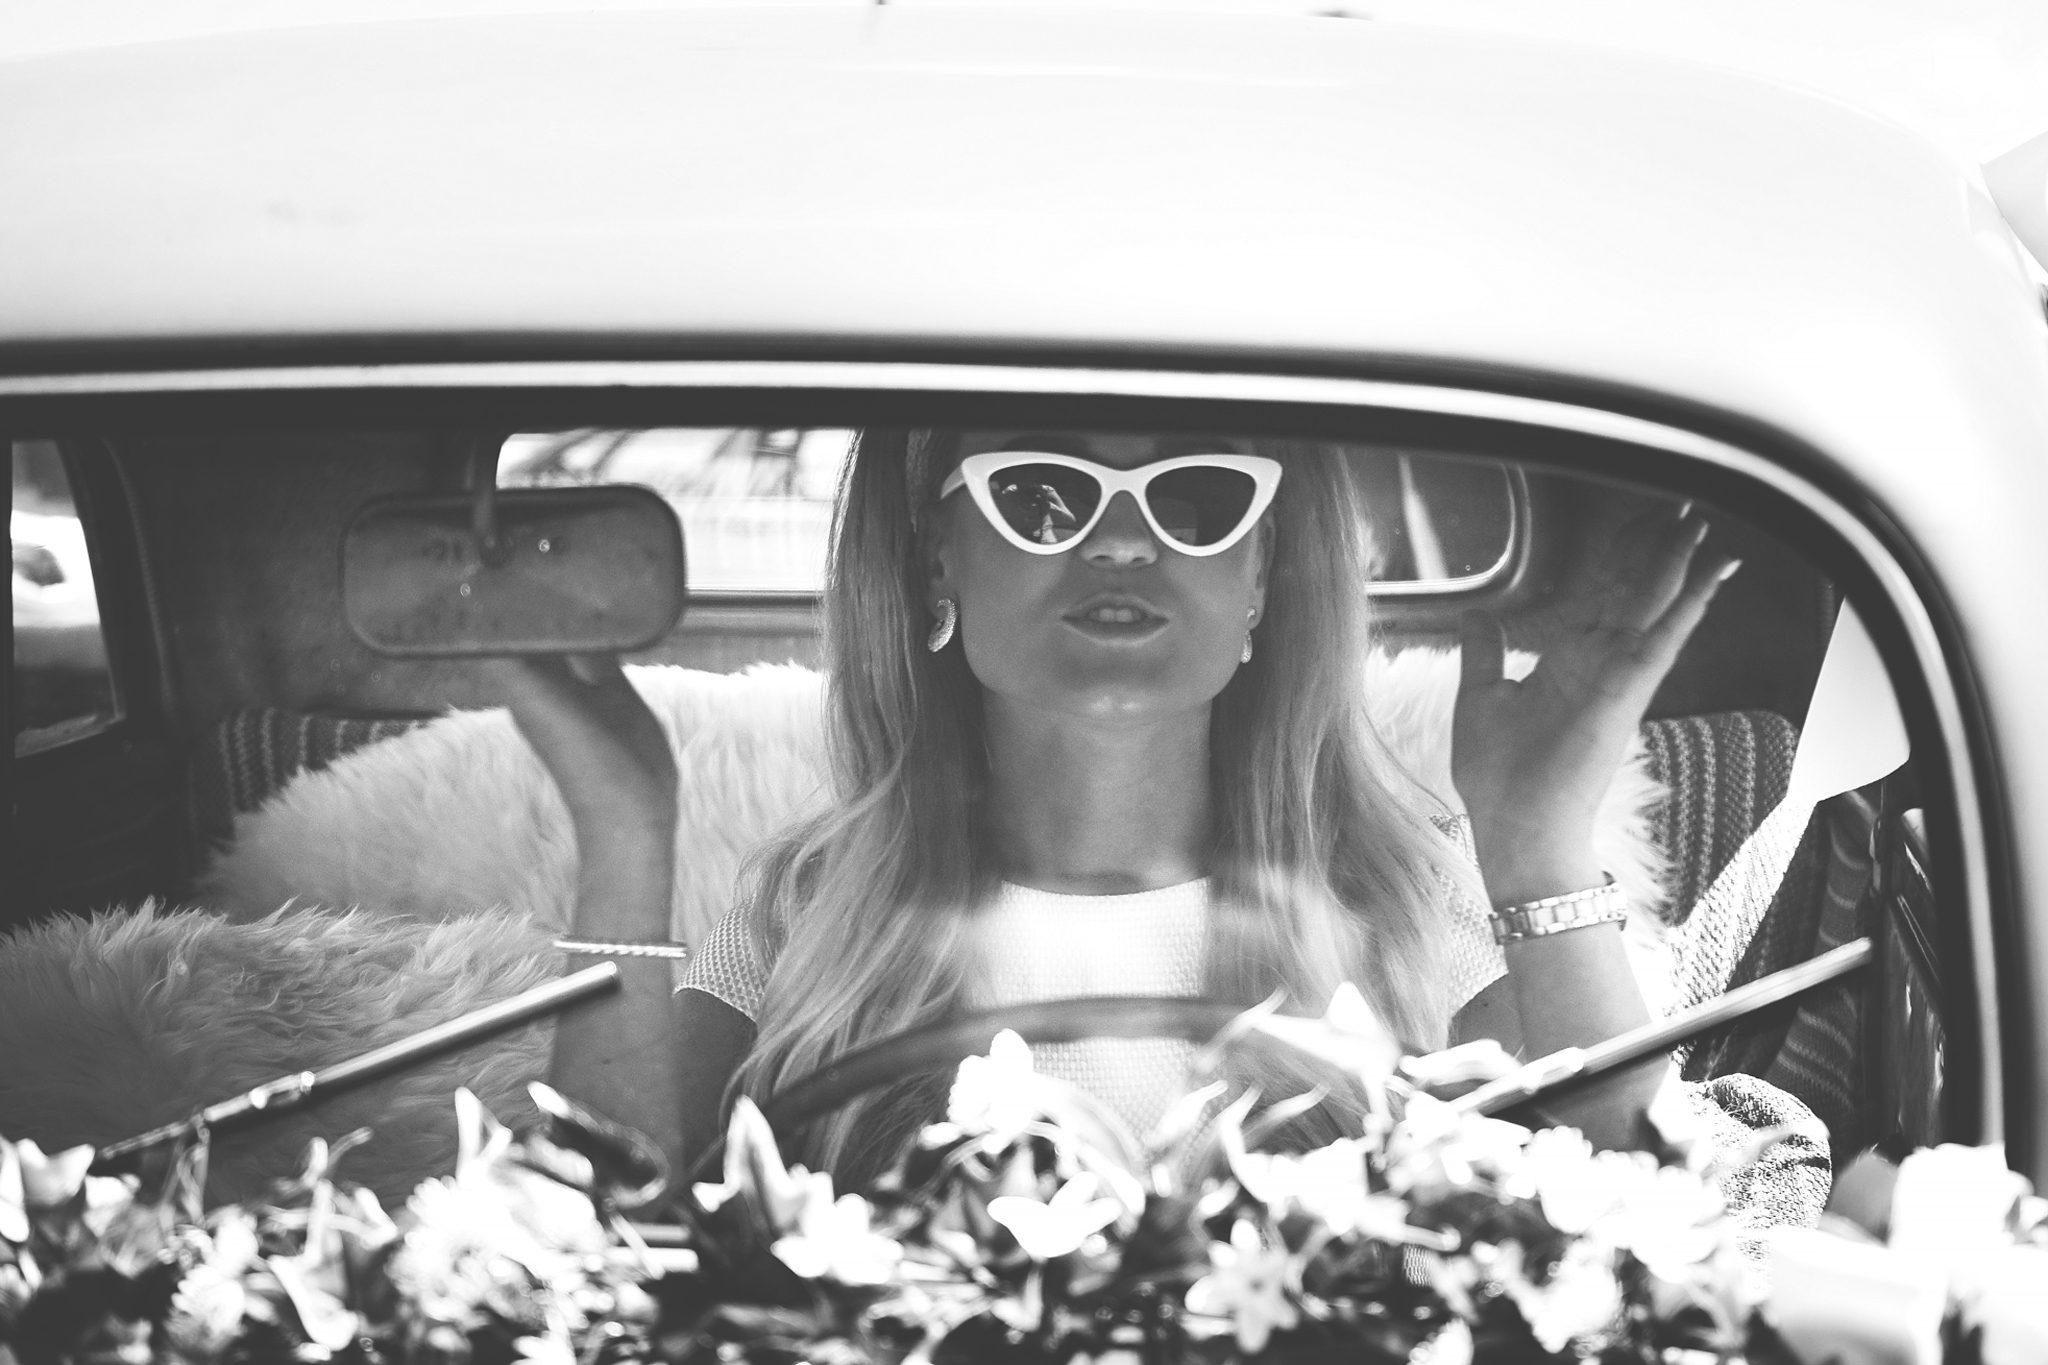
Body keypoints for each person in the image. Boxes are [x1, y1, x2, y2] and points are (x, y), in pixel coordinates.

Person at [516, 428, 1741, 1186]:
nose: (1118, 540)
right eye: (1042, 492)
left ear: (1258, 574)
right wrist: (623, 826)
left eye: (1194, 497)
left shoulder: (1407, 894)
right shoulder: (807, 908)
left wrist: (1534, 841)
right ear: (938, 557)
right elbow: (604, 1233)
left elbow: (1624, 1227)